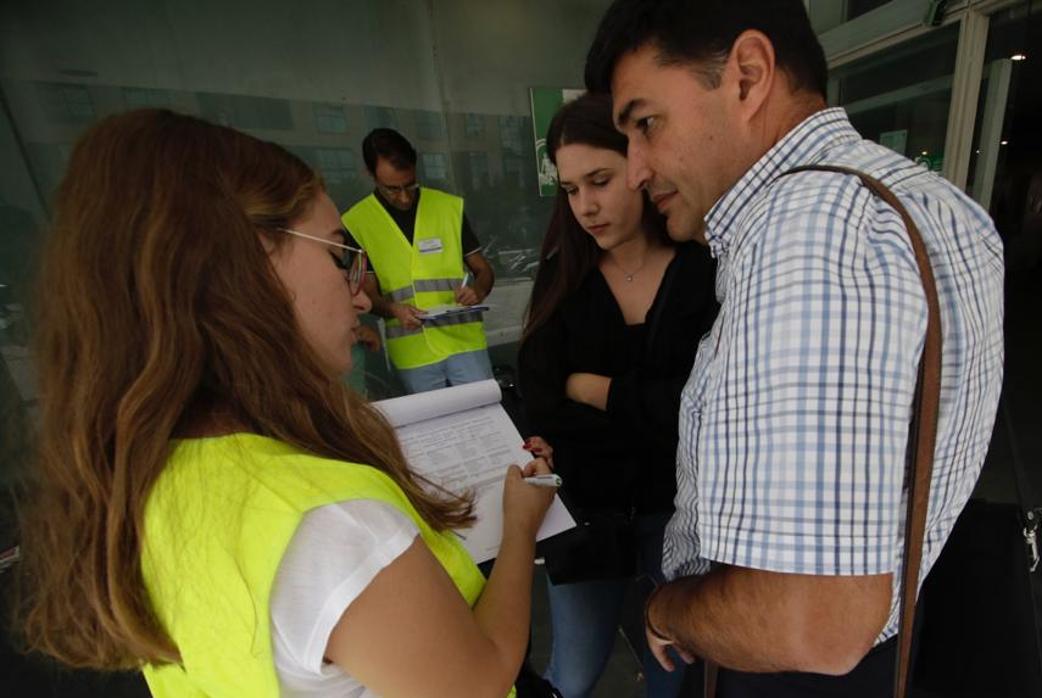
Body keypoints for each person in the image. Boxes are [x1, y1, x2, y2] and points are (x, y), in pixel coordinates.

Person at [17, 109, 556, 698]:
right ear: (244, 268)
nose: (358, 294)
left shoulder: (136, 474)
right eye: (334, 254)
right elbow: (479, 681)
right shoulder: (335, 526)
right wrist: (521, 525)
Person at [583, 1, 1006, 695]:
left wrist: (665, 608)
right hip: (890, 637)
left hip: (786, 671)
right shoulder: (933, 201)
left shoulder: (807, 238)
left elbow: (811, 623)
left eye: (646, 124)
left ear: (748, 75)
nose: (635, 169)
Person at [518, 93, 718, 698]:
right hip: (585, 513)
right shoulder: (563, 277)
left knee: (674, 676)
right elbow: (543, 404)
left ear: (639, 165)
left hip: (682, 512)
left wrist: (591, 387)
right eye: (572, 190)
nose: (586, 206)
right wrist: (648, 405)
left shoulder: (704, 270)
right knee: (573, 674)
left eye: (600, 180)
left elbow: (701, 412)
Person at [342, 128, 495, 394]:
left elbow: (483, 270)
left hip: (465, 344)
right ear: (370, 175)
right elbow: (367, 293)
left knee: (483, 416)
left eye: (410, 184)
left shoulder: (448, 207)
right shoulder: (357, 223)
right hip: (413, 353)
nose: (403, 197)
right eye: (392, 189)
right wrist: (393, 310)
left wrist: (478, 291)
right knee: (433, 431)